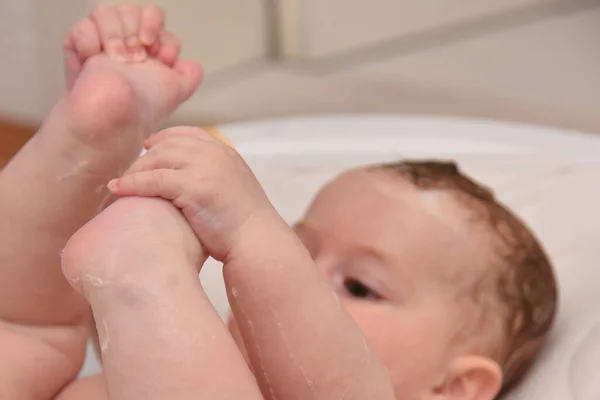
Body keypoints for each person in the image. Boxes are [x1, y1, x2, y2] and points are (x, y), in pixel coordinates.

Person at [0, 4, 557, 399]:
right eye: (295, 245)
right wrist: (97, 157)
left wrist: (248, 231)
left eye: (360, 285)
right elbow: (32, 315)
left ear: (453, 389)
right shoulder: (163, 352)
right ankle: (91, 137)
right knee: (29, 335)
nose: (289, 278)